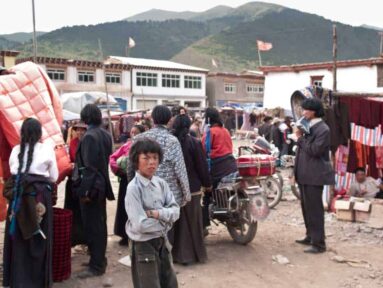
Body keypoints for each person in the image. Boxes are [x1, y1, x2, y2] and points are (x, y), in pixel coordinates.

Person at [3, 118, 58, 288]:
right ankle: (38, 281)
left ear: (22, 134)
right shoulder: (47, 149)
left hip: (18, 197)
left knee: (19, 237)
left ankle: (18, 280)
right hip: (39, 198)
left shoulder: (15, 150)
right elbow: (54, 177)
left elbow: (12, 174)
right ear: (39, 133)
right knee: (39, 236)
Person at [125, 138, 180, 288]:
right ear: (137, 160)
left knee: (170, 283)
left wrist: (157, 214)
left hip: (162, 241)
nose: (152, 162)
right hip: (143, 245)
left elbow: (176, 211)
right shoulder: (134, 189)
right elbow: (140, 225)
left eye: (155, 158)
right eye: (146, 158)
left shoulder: (161, 183)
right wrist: (166, 220)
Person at [74, 104, 114, 278]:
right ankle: (98, 260)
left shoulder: (90, 136)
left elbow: (89, 168)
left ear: (85, 118)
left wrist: (84, 192)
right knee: (99, 223)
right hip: (101, 184)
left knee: (93, 226)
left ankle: (96, 265)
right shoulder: (105, 134)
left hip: (93, 188)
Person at [294, 98, 335, 254]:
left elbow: (315, 151)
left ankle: (319, 243)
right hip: (305, 174)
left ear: (314, 111)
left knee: (315, 209)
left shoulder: (323, 129)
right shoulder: (308, 126)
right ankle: (310, 236)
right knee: (306, 207)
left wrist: (299, 139)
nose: (303, 113)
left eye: (306, 110)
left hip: (314, 175)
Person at [172, 114, 211, 264]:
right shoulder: (194, 143)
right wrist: (207, 184)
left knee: (178, 222)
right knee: (193, 223)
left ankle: (179, 255)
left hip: (174, 187)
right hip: (193, 187)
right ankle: (195, 255)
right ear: (189, 126)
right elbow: (201, 166)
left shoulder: (171, 143)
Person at [133, 105, 190, 207]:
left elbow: (131, 167)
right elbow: (180, 170)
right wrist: (186, 195)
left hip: (143, 192)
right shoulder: (172, 141)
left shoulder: (138, 139)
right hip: (168, 195)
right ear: (169, 119)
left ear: (152, 118)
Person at [201, 107, 237, 229]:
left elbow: (204, 150)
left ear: (208, 119)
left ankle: (204, 226)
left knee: (206, 193)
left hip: (217, 167)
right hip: (231, 165)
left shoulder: (210, 132)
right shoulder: (225, 130)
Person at [109, 124, 145, 246]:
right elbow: (112, 158)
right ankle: (125, 235)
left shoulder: (145, 147)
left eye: (136, 132)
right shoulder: (126, 145)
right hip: (126, 181)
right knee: (125, 208)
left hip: (141, 180)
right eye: (132, 132)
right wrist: (118, 170)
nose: (133, 135)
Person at [64, 121, 88, 247]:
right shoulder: (73, 143)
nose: (80, 132)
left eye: (82, 130)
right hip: (73, 180)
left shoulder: (89, 143)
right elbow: (69, 159)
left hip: (84, 181)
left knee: (83, 211)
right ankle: (73, 238)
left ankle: (85, 239)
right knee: (72, 209)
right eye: (77, 130)